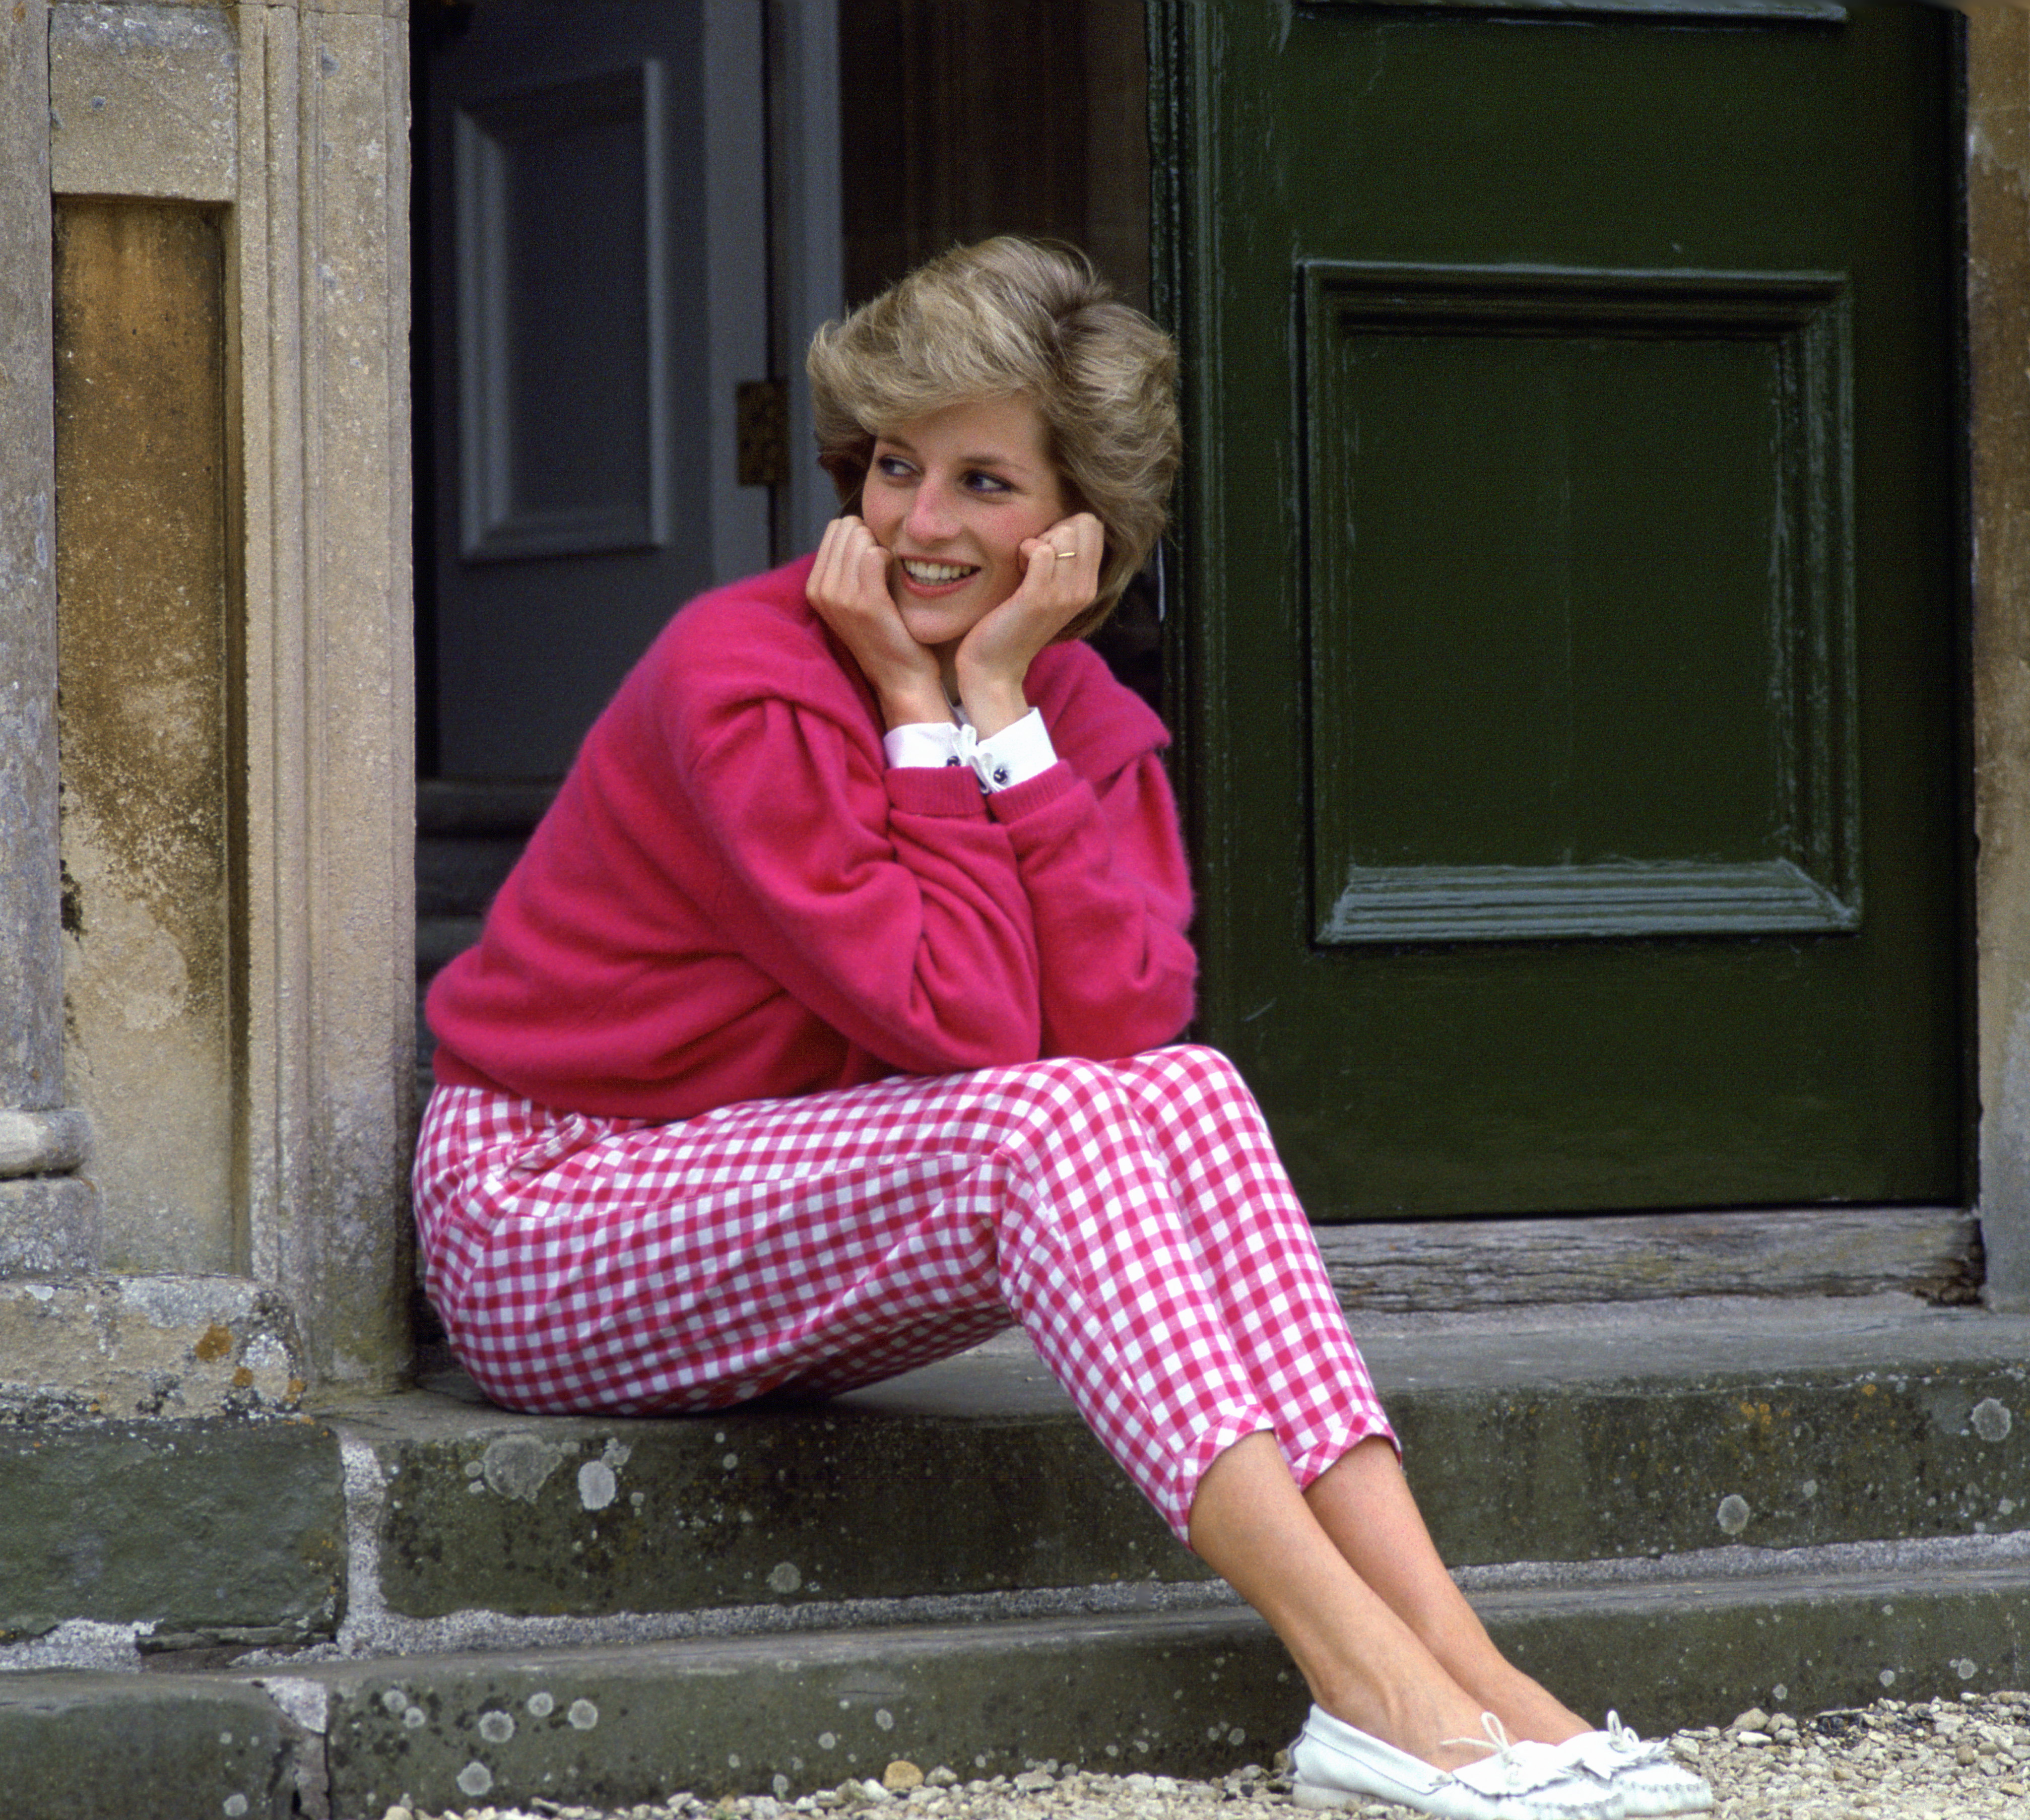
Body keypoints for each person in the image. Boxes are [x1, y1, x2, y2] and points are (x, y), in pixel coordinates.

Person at [414, 237, 1712, 1820]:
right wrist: (911, 710)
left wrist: (999, 712)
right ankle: (1362, 1686)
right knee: (1060, 1119)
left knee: (1190, 1086)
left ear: (1080, 525)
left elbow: (1119, 1025)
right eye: (896, 468)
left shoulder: (1073, 719)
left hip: (781, 1198)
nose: (923, 524)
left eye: (984, 481)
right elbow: (960, 1024)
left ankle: (1469, 1670)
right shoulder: (739, 679)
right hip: (551, 1211)